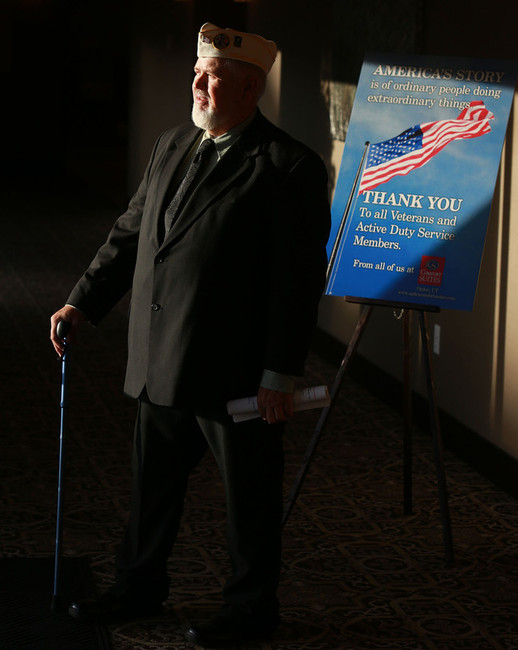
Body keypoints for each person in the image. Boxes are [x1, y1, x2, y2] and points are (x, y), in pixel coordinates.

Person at [50, 21, 330, 648]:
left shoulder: (289, 167)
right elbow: (131, 233)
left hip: (236, 370)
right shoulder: (174, 143)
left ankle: (252, 606)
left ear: (251, 88)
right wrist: (81, 303)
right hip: (160, 357)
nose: (200, 85)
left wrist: (279, 373)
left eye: (215, 78)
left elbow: (295, 283)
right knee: (151, 489)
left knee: (249, 500)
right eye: (198, 75)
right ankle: (138, 586)